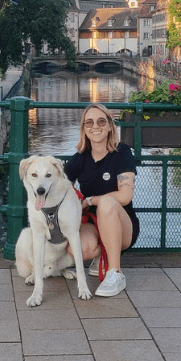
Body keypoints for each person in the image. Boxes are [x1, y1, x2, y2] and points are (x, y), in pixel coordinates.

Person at [64, 103, 140, 297]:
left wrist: (89, 200)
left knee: (106, 202)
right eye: (89, 122)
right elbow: (61, 188)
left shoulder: (122, 153)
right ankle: (102, 256)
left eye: (101, 121)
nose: (95, 126)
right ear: (84, 129)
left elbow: (124, 196)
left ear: (109, 127)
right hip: (92, 222)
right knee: (81, 248)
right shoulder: (79, 159)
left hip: (122, 224)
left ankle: (115, 273)